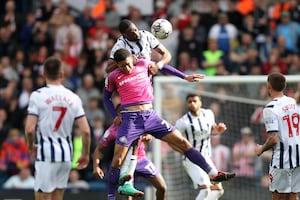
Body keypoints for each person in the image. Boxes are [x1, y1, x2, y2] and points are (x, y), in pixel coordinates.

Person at [104, 48, 235, 199]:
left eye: (127, 64)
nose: (126, 69)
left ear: (131, 60)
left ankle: (213, 174)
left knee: (183, 143)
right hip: (130, 119)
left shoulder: (143, 64)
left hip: (151, 116)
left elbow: (163, 67)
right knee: (117, 159)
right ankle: (111, 197)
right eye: (121, 66)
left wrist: (184, 76)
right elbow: (106, 97)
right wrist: (115, 115)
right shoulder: (113, 77)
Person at [25, 56, 91, 200]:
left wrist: (31, 147)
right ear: (62, 74)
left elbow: (30, 129)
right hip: (66, 154)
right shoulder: (73, 97)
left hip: (46, 154)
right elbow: (85, 130)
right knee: (57, 196)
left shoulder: (38, 96)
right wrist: (85, 153)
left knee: (42, 196)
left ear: (43, 74)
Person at [93, 105, 167, 200]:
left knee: (162, 187)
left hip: (141, 160)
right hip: (125, 165)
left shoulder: (138, 122)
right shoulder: (112, 130)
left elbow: (149, 132)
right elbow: (98, 150)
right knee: (128, 196)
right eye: (122, 114)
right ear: (117, 116)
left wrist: (148, 135)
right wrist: (96, 166)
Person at [255, 72, 300, 200]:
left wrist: (261, 149)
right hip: (298, 157)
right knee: (293, 195)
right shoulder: (294, 102)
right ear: (284, 85)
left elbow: (274, 138)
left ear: (269, 86)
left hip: (282, 160)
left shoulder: (270, 108)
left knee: (278, 197)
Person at [175, 94, 228, 200]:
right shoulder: (182, 122)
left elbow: (212, 131)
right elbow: (173, 141)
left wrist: (218, 131)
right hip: (191, 161)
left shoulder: (208, 114)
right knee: (205, 189)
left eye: (195, 101)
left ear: (200, 102)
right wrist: (184, 152)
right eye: (190, 102)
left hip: (206, 158)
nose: (192, 104)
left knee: (218, 190)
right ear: (187, 104)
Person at [105, 19, 171, 74]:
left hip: (147, 78)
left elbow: (167, 54)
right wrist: (125, 60)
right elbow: (108, 69)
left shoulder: (146, 35)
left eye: (136, 30)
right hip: (131, 81)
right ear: (124, 36)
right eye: (131, 34)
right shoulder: (120, 45)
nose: (136, 34)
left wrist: (158, 65)